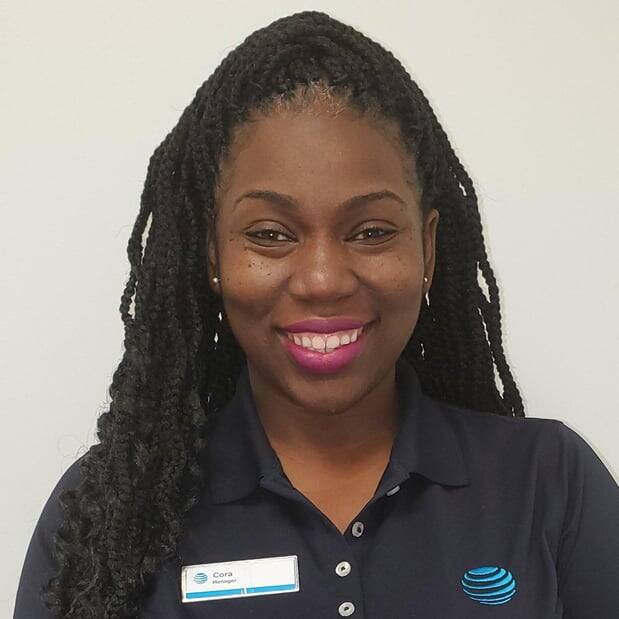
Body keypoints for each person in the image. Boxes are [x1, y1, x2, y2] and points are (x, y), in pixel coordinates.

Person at [14, 9, 619, 618]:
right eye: (271, 235)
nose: (323, 281)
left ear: (428, 250)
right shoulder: (107, 518)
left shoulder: (551, 484)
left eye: (372, 231)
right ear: (214, 256)